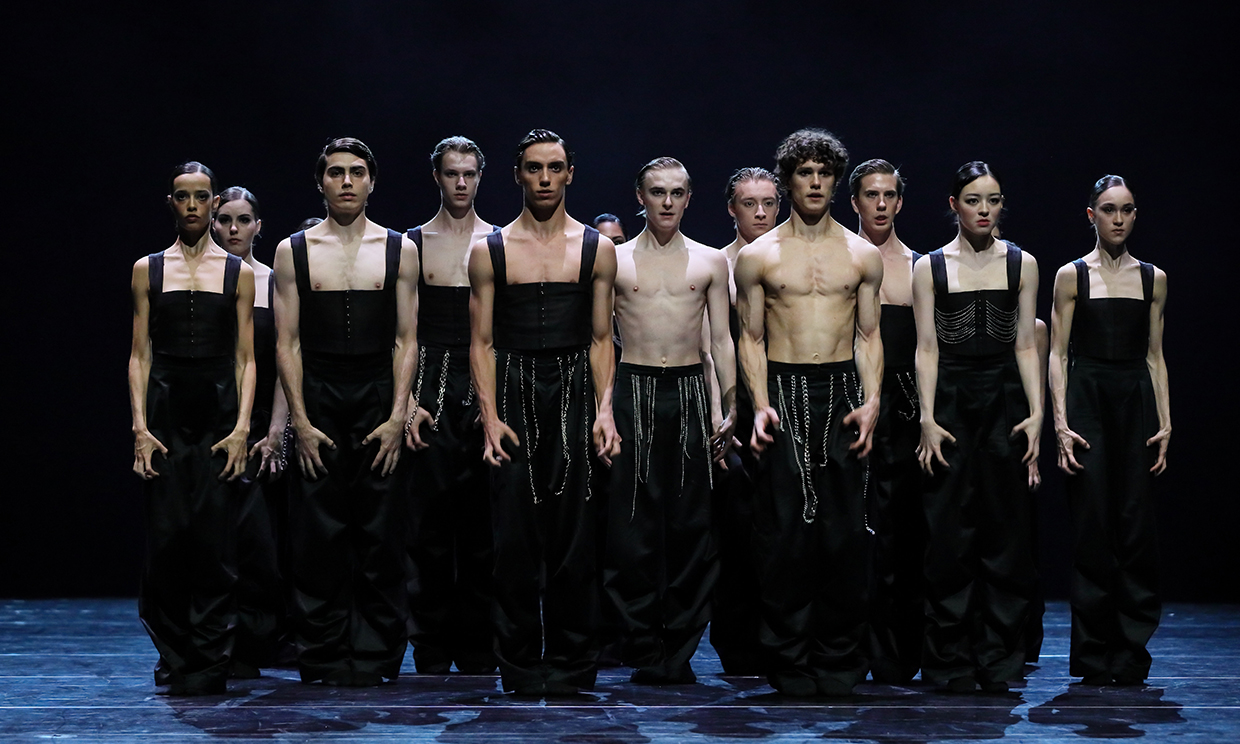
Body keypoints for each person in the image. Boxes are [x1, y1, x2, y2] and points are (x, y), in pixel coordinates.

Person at [468, 129, 619, 696]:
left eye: (555, 167)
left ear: (570, 173)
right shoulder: (490, 249)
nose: (546, 178)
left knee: (575, 537)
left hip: (575, 389)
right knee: (513, 539)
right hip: (513, 389)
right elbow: (481, 342)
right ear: (518, 175)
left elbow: (602, 339)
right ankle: (519, 666)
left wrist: (605, 410)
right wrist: (489, 418)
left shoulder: (596, 248)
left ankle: (573, 664)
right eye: (535, 168)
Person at [734, 129, 883, 696]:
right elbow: (750, 338)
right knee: (784, 538)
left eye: (824, 172)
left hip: (842, 392)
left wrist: (872, 402)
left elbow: (869, 335)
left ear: (836, 180)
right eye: (804, 172)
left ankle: (839, 658)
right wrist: (759, 405)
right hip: (784, 389)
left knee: (844, 536)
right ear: (788, 181)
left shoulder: (863, 255)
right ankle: (789, 660)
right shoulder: (758, 256)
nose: (815, 182)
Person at [273, 138, 419, 686]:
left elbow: (407, 339)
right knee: (317, 533)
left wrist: (399, 415)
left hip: (378, 392)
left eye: (357, 172)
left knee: (381, 531)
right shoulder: (294, 250)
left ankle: (377, 654)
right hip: (319, 393)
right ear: (321, 183)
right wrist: (300, 421)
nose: (347, 182)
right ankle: (322, 652)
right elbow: (287, 343)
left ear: (372, 181)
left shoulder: (399, 248)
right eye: (336, 173)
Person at [605, 157, 735, 684]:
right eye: (657, 192)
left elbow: (720, 341)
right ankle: (641, 646)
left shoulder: (709, 261)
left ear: (689, 198)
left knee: (690, 526)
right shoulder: (613, 259)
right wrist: (602, 409)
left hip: (687, 391)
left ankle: (678, 649)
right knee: (632, 527)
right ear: (640, 196)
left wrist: (728, 404)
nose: (667, 201)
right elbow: (599, 340)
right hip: (632, 387)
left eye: (677, 192)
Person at [913, 161, 1041, 693]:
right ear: (954, 205)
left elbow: (1027, 343)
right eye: (972, 200)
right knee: (949, 532)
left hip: (1004, 400)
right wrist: (926, 417)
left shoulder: (1022, 263)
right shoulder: (930, 267)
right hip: (950, 401)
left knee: (1004, 532)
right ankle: (951, 660)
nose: (984, 210)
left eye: (992, 200)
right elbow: (926, 348)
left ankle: (1000, 659)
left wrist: (1038, 413)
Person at [129, 161, 256, 695]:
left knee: (214, 542)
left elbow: (246, 357)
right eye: (183, 196)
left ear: (213, 202)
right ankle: (174, 654)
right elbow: (139, 353)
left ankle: (210, 658)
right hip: (164, 413)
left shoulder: (237, 272)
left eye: (201, 197)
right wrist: (139, 428)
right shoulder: (148, 269)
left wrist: (242, 427)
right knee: (166, 541)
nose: (192, 206)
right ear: (171, 203)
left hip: (217, 414)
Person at [1048, 175, 1169, 686]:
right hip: (1089, 398)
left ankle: (1131, 651)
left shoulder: (1153, 279)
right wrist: (1060, 422)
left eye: (1127, 209)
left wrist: (1166, 420)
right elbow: (1057, 354)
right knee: (1093, 526)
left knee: (1135, 528)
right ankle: (1094, 654)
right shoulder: (1071, 276)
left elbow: (1155, 356)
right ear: (1091, 215)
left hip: (1135, 400)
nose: (1118, 219)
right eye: (1108, 209)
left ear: (1135, 215)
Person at [403, 136, 498, 674]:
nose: (461, 183)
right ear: (436, 177)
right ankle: (431, 643)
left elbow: (502, 330)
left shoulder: (498, 240)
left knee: (484, 522)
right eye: (451, 173)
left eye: (469, 174)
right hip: (431, 383)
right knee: (430, 524)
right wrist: (407, 401)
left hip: (484, 381)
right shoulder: (414, 243)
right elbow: (403, 332)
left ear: (480, 177)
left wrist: (495, 402)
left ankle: (480, 640)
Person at [848, 159, 925, 684]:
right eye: (871, 195)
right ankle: (851, 647)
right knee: (850, 528)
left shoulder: (919, 267)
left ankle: (898, 650)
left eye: (889, 195)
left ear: (900, 201)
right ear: (854, 201)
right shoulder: (841, 259)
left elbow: (929, 348)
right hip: (848, 403)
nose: (880, 204)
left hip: (905, 408)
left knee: (901, 529)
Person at [212, 187, 290, 674]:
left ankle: (258, 642)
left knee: (260, 541)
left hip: (261, 425)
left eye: (243, 220)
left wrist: (278, 429)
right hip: (212, 420)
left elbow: (286, 360)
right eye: (225, 219)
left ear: (259, 226)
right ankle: (218, 641)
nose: (233, 229)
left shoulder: (273, 282)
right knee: (213, 538)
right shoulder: (199, 279)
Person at [709, 167, 780, 675]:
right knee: (734, 529)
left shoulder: (790, 260)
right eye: (749, 203)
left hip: (785, 404)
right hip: (731, 410)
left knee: (781, 527)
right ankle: (736, 643)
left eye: (768, 203)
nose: (760, 213)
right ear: (731, 208)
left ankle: (780, 637)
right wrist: (722, 411)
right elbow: (709, 346)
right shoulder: (719, 264)